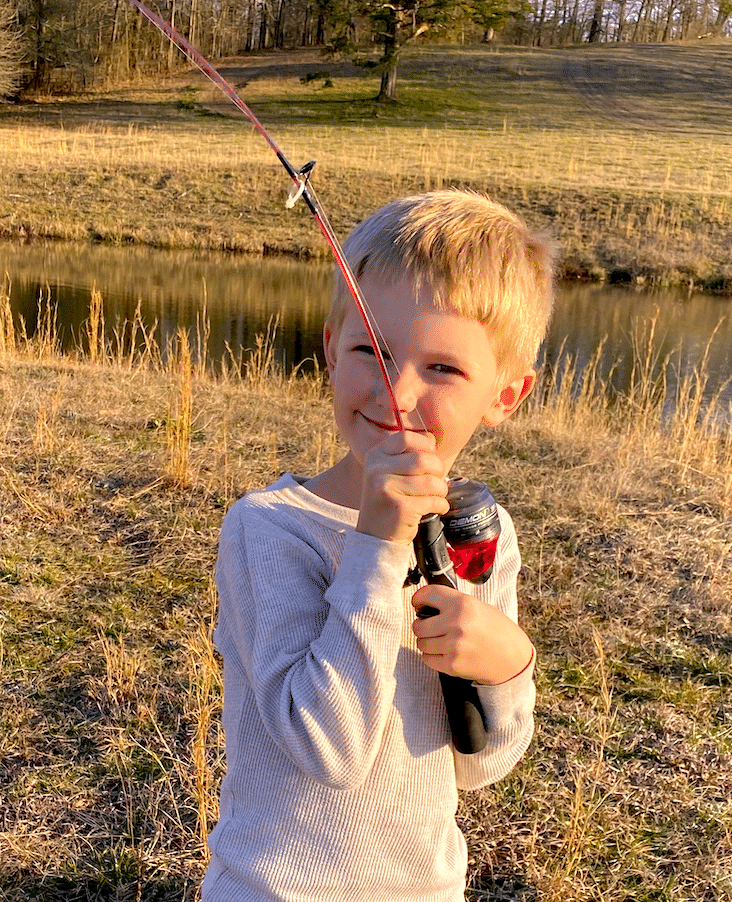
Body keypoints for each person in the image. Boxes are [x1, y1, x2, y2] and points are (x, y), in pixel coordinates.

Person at [201, 190, 555, 902]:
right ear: (332, 350)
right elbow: (328, 748)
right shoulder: (268, 529)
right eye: (372, 348)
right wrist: (378, 543)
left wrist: (511, 665)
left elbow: (478, 764)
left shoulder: (482, 536)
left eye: (444, 369)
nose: (397, 391)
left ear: (505, 395)